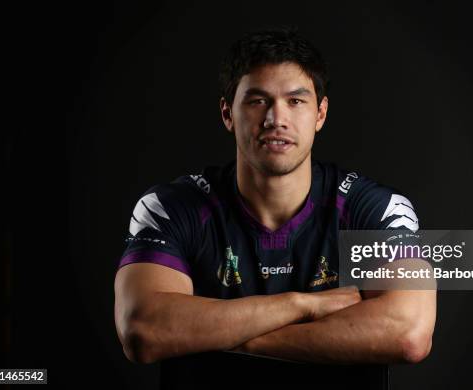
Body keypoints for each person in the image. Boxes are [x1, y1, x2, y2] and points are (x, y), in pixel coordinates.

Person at [114, 28, 436, 366]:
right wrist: (303, 305)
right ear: (227, 114)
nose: (276, 119)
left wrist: (230, 339)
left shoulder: (373, 208)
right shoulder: (171, 207)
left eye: (295, 101)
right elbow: (143, 330)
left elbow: (408, 332)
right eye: (257, 101)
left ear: (320, 114)